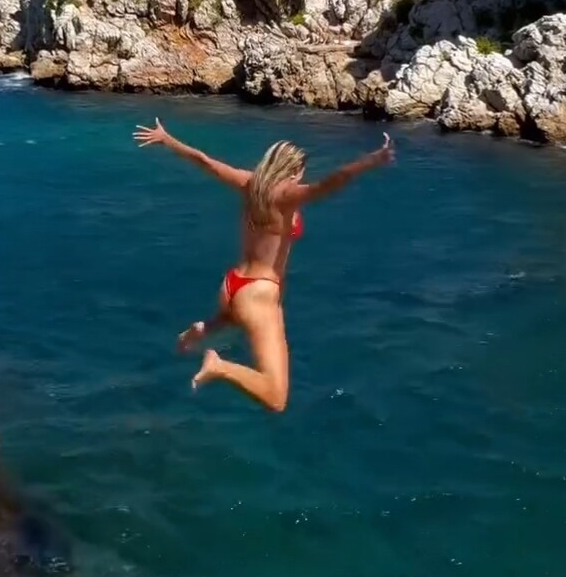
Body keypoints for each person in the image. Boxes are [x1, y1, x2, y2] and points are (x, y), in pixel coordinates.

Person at [132, 119, 395, 412]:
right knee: (276, 397)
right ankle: (219, 366)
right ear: (293, 171)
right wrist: (370, 161)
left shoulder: (249, 183)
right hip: (258, 293)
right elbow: (332, 182)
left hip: (233, 284)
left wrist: (167, 139)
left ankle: (205, 328)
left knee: (241, 317)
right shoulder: (287, 196)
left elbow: (205, 161)